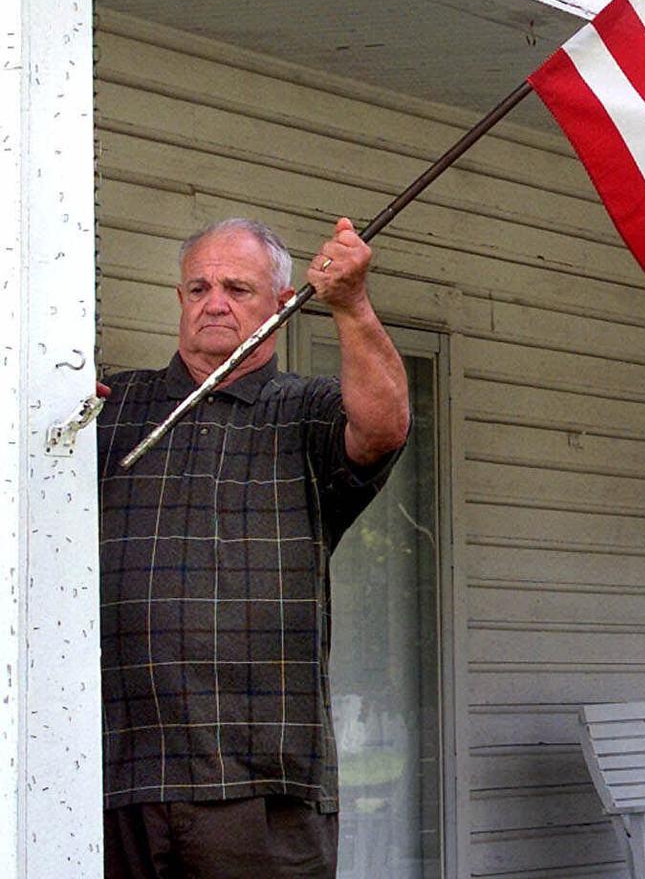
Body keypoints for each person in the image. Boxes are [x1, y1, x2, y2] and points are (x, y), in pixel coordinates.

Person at [95, 217, 410, 879]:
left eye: (237, 288)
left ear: (284, 300)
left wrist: (351, 306)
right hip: (113, 775)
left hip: (261, 783)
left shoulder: (308, 410)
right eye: (198, 287)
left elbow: (383, 427)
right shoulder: (113, 407)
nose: (214, 302)